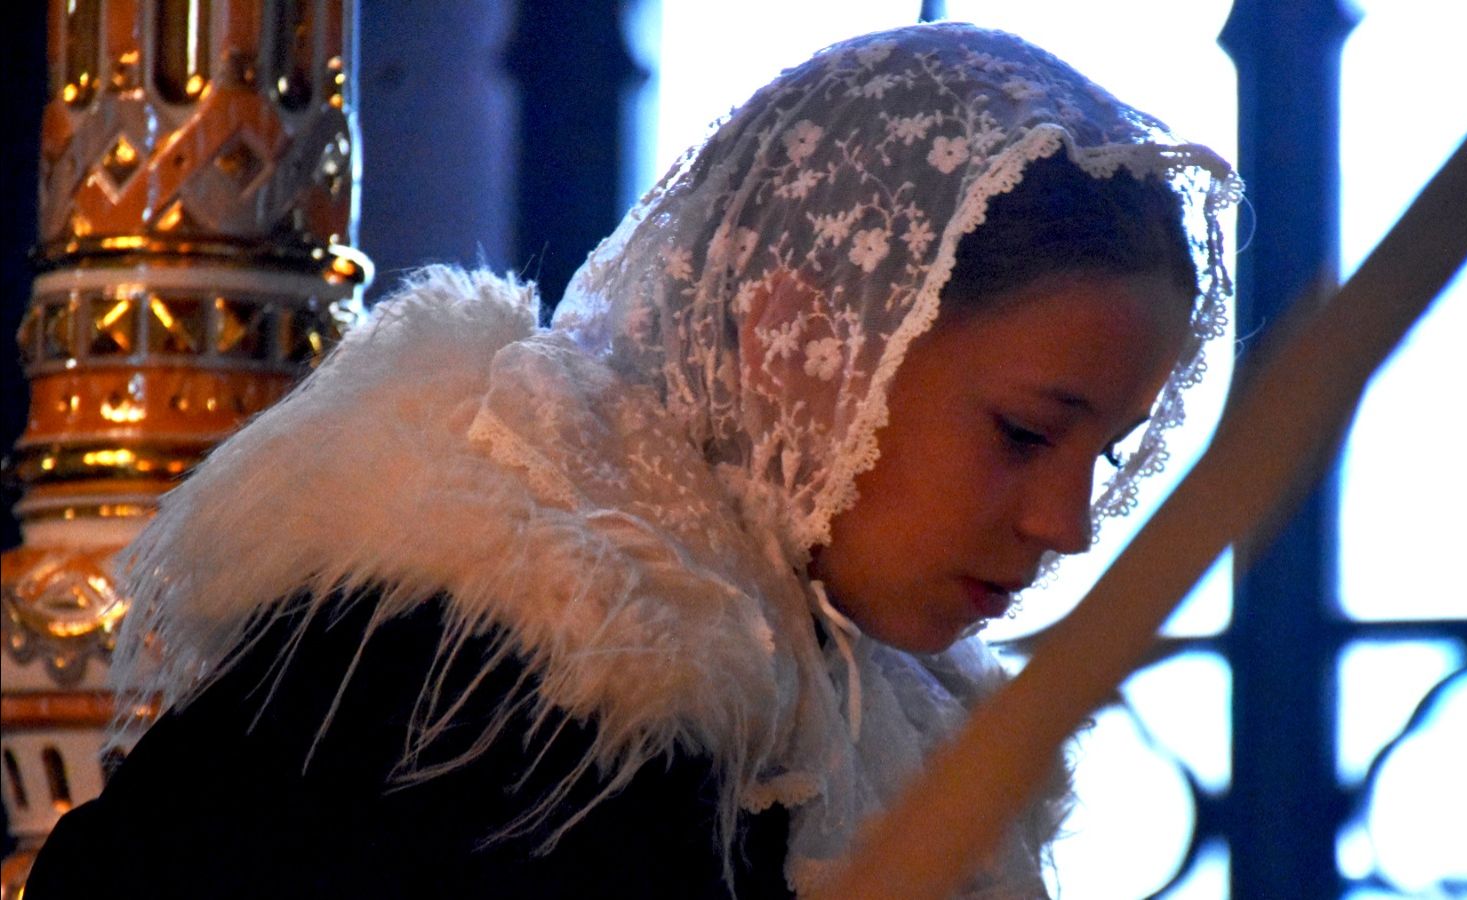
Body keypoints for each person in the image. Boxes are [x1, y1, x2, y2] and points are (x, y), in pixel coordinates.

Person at [24, 21, 1238, 899]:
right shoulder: (464, 700)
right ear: (801, 343)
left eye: (1106, 454)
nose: (1069, 523)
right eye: (1024, 433)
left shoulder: (862, 715)